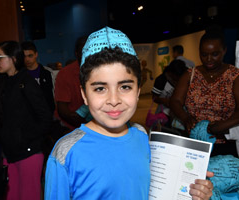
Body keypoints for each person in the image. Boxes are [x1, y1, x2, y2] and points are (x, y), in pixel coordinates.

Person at [44, 26, 213, 200]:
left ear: (138, 91)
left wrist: (191, 191)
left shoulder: (141, 135)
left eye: (125, 87)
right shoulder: (66, 153)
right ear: (84, 95)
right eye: (100, 88)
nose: (114, 99)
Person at [0, 40, 53, 200]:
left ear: (13, 58)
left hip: (28, 153)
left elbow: (45, 116)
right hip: (10, 154)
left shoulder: (26, 82)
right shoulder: (4, 82)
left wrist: (25, 138)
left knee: (28, 196)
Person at [170, 28, 239, 157]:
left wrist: (222, 126)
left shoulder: (234, 76)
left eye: (215, 54)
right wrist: (185, 118)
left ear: (224, 51)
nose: (208, 59)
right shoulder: (190, 75)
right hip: (194, 142)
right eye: (203, 54)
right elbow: (175, 101)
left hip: (223, 144)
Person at [54, 36, 87, 131]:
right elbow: (63, 112)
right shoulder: (66, 74)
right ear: (76, 54)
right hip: (68, 126)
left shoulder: (101, 71)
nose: (87, 56)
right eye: (83, 52)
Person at [21, 41, 55, 113]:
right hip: (27, 115)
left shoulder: (48, 73)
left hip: (46, 113)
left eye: (30, 56)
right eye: (24, 56)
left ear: (36, 54)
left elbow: (54, 95)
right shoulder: (20, 75)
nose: (27, 59)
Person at [151, 60, 187, 125]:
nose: (179, 78)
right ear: (171, 73)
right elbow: (154, 97)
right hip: (164, 113)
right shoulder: (161, 80)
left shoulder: (183, 80)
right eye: (177, 76)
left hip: (179, 113)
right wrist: (166, 101)